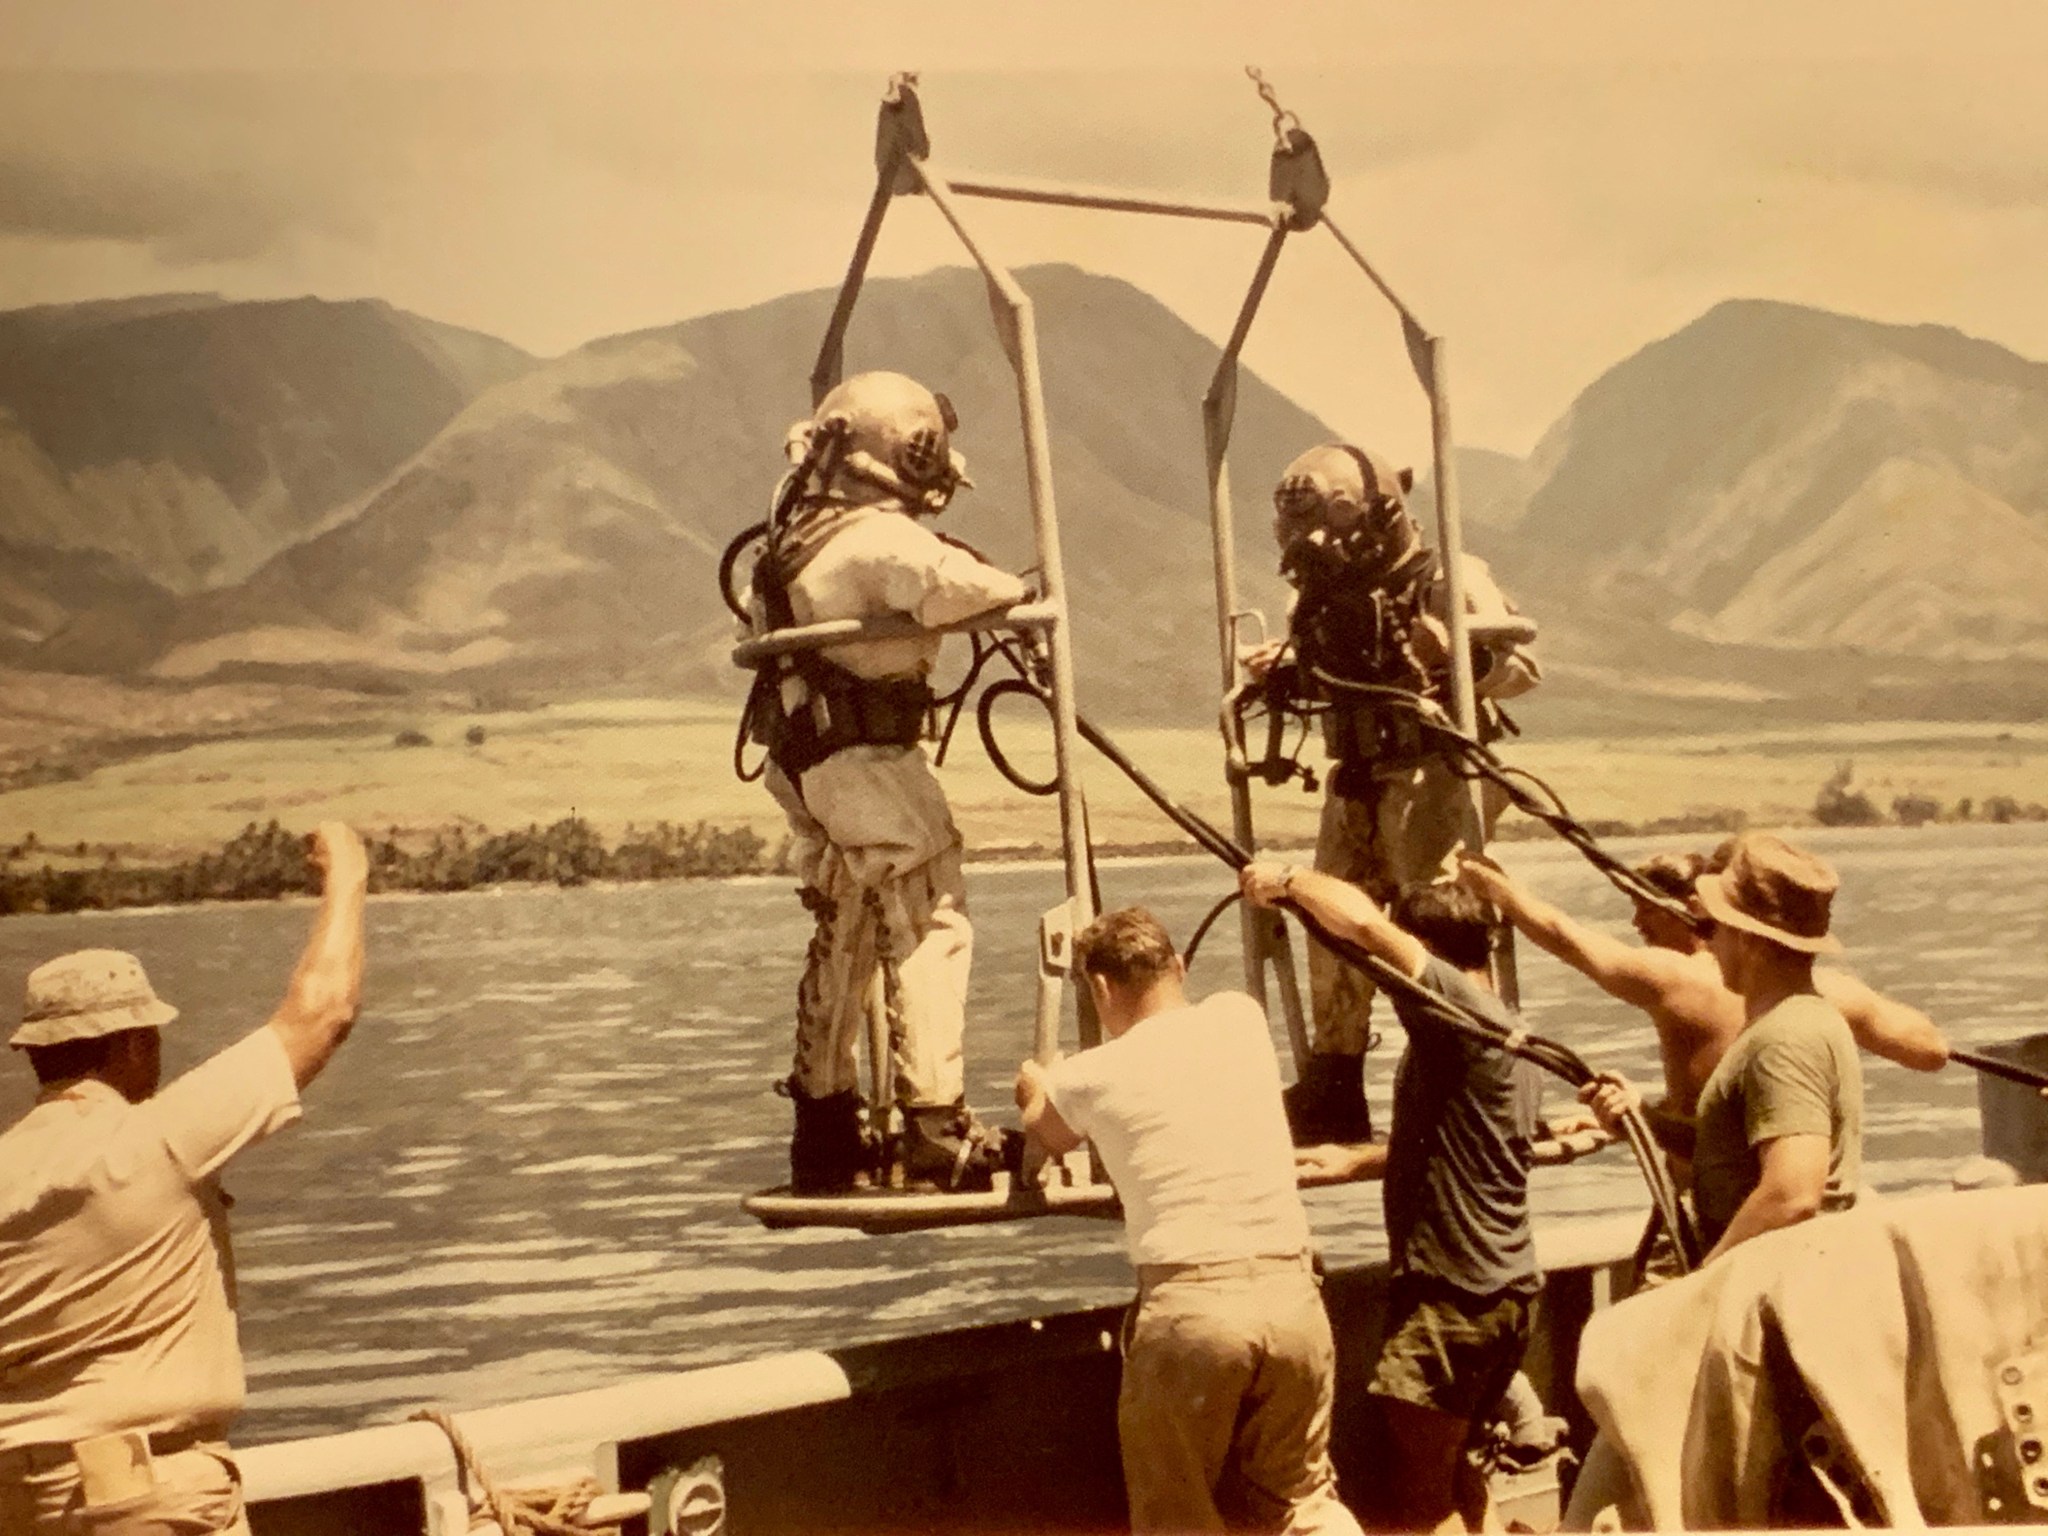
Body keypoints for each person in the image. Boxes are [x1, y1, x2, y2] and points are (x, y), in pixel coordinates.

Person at [0, 821, 367, 1536]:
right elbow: (323, 1013)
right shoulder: (158, 1139)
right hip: (144, 1495)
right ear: (138, 1042)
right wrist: (348, 872)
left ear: (38, 1054)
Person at [749, 370, 1030, 1195]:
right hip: (867, 758)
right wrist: (1007, 586)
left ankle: (824, 1125)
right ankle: (937, 1126)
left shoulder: (788, 545)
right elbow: (972, 589)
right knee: (928, 912)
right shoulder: (875, 542)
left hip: (807, 765)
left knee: (846, 919)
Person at [1013, 907, 1362, 1536]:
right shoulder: (1241, 1018)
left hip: (1194, 1309)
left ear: (1099, 990)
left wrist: (1035, 1085)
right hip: (1292, 1295)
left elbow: (1045, 1130)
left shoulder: (1088, 1075)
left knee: (1177, 1517)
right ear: (1178, 967)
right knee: (1302, 1501)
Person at [1244, 442, 1539, 1147]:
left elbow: (1523, 663)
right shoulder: (1317, 594)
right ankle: (1335, 1081)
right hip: (1355, 774)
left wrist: (1460, 655)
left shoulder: (1449, 577)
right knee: (1327, 915)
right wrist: (1282, 672)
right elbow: (1331, 668)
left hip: (1433, 771)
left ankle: (1465, 1065)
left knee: (1437, 921)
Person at [1241, 862, 1540, 1535]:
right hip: (1506, 1291)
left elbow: (1368, 927)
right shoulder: (1508, 1032)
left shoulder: (1457, 1010)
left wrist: (1285, 880)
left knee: (1423, 1497)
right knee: (1461, 1470)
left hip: (1453, 1298)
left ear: (1427, 955)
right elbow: (1472, 1136)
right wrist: (1363, 1157)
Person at [1456, 845, 1944, 1128]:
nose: (1636, 922)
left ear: (1696, 911)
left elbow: (1566, 937)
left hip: (1719, 1218)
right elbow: (1932, 1050)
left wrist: (1499, 890)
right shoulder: (1834, 994)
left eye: (1645, 908)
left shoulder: (1675, 979)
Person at [1577, 832, 1865, 1263]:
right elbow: (1735, 1150)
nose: (1707, 945)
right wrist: (1647, 1121)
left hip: (1769, 1291)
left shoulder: (1785, 1039)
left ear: (1749, 939)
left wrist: (1706, 1284)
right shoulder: (1794, 1020)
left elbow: (1792, 1193)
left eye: (1713, 928)